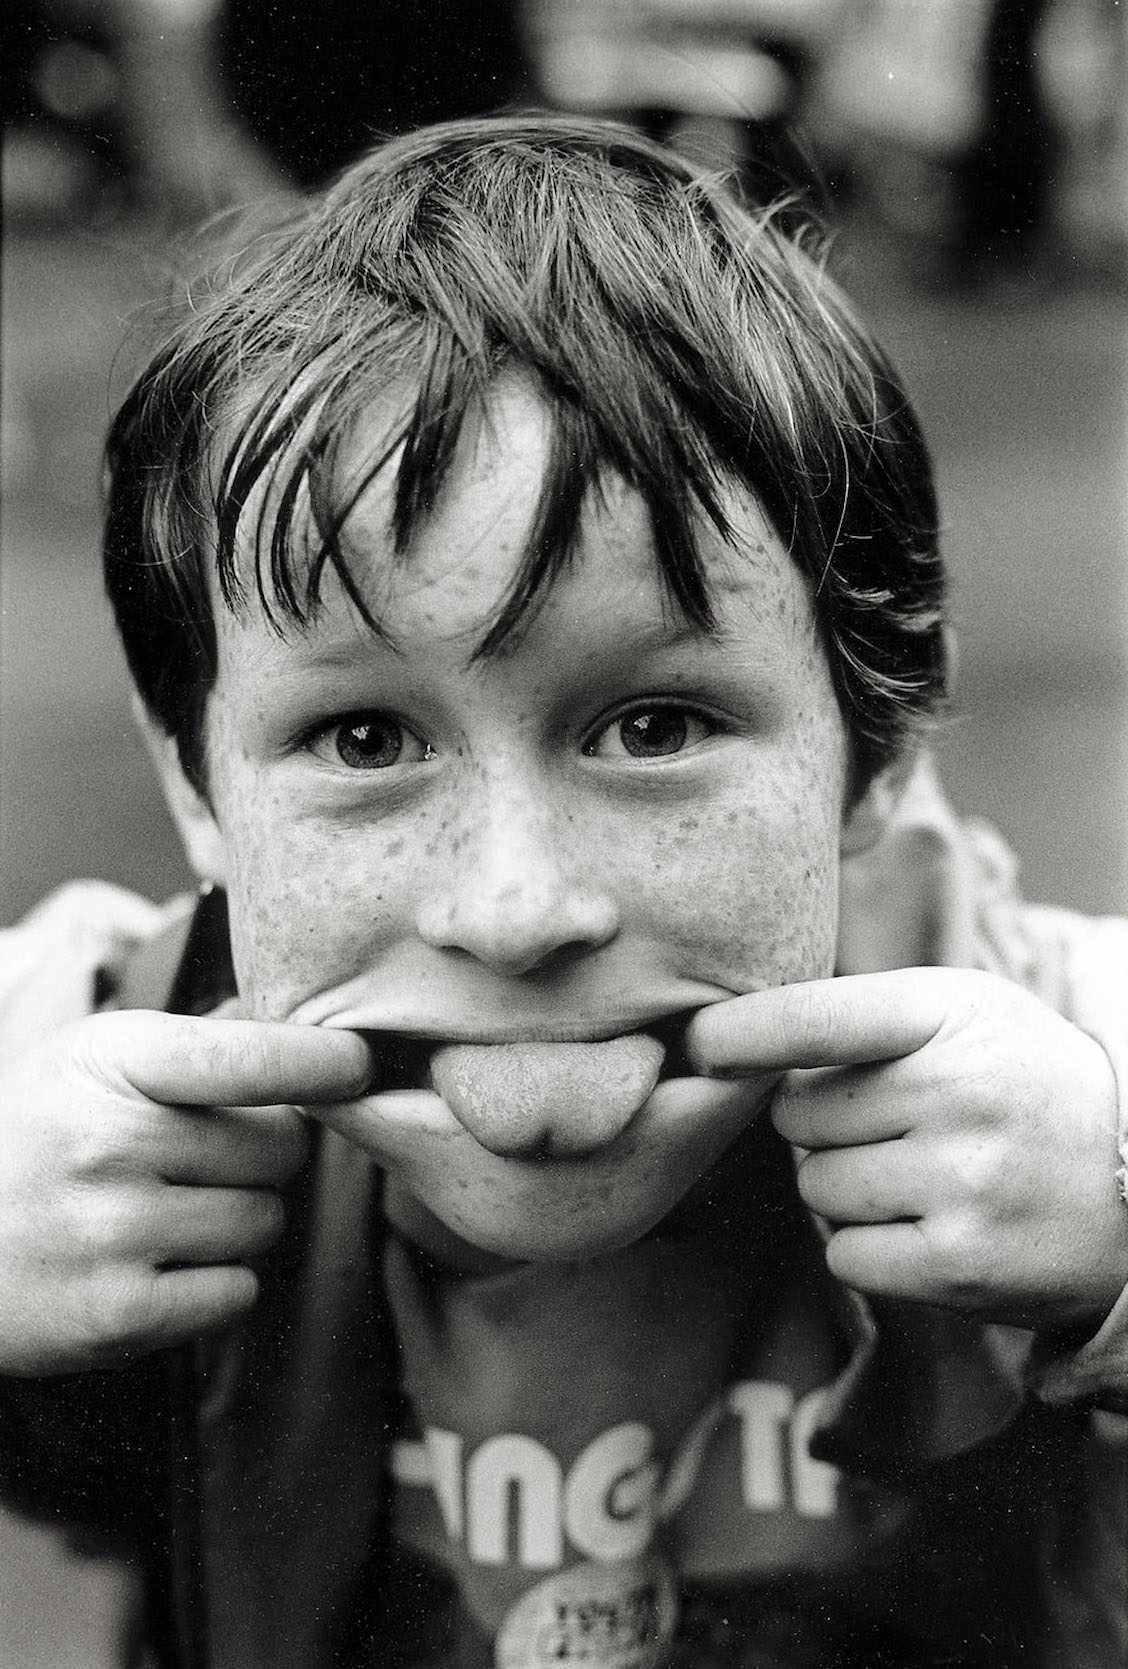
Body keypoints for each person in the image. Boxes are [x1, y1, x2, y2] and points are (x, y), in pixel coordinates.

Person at [1, 115, 1126, 1669]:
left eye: (654, 726)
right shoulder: (67, 1057)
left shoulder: (1081, 1062)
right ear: (197, 780)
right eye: (364, 737)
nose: (517, 910)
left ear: (873, 748)